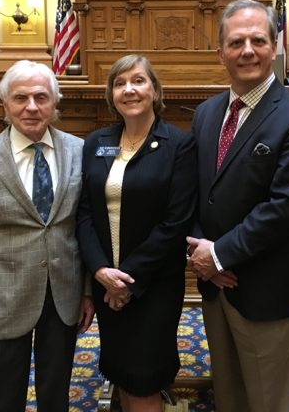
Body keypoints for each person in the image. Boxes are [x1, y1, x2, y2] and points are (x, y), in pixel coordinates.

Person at [187, 0, 289, 412]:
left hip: (266, 283)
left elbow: (286, 207)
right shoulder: (206, 113)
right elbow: (196, 191)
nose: (247, 50)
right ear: (221, 52)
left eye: (257, 40)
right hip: (215, 284)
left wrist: (219, 254)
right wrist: (201, 255)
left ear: (274, 46)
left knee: (271, 398)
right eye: (236, 42)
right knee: (229, 390)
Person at [0, 60, 94, 412]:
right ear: (5, 105)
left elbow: (87, 227)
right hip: (3, 297)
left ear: (54, 103)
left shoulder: (80, 152)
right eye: (20, 98)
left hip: (63, 293)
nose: (31, 107)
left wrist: (87, 291)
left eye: (41, 97)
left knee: (56, 391)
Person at [76, 55, 197, 412]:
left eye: (139, 81)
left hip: (153, 284)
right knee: (121, 370)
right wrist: (100, 271)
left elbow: (176, 223)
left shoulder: (179, 144)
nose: (129, 89)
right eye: (119, 83)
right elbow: (83, 212)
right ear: (111, 94)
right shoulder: (97, 141)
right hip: (105, 280)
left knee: (143, 375)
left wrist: (126, 281)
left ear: (155, 90)